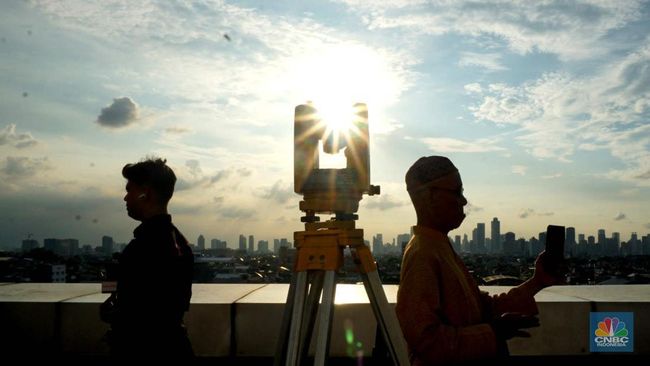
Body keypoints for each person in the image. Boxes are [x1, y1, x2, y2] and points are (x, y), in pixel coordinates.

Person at [396, 156, 564, 365]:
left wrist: (537, 282)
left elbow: (481, 307)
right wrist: (493, 332)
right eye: (457, 192)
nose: (464, 201)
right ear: (430, 196)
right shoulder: (423, 254)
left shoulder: (438, 247)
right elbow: (427, 342)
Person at [101, 157, 194, 360]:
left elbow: (148, 314)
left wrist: (115, 315)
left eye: (130, 190)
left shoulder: (148, 245)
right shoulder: (176, 241)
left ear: (146, 193)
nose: (126, 198)